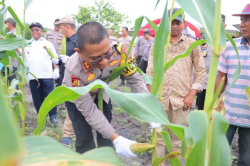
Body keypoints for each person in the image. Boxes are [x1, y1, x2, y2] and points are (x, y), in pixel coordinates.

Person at [62, 21, 149, 157]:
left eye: (107, 54)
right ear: (79, 53)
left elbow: (134, 78)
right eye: (95, 59)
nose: (104, 62)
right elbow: (89, 110)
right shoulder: (73, 70)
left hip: (102, 94)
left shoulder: (121, 51)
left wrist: (149, 108)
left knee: (106, 138)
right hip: (78, 100)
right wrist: (117, 138)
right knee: (84, 140)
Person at [146, 8, 205, 165]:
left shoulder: (192, 45)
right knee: (158, 139)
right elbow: (150, 71)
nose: (174, 26)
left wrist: (192, 94)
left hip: (181, 100)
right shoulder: (158, 44)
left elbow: (200, 71)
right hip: (159, 100)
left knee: (178, 141)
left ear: (183, 24)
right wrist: (150, 96)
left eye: (177, 22)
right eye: (171, 22)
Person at [215, 4, 250, 165]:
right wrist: (215, 106)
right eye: (241, 19)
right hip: (227, 114)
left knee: (245, 159)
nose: (242, 24)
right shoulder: (230, 46)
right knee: (217, 156)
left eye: (247, 19)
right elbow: (220, 77)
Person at [19, 22, 58, 124]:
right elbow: (21, 58)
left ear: (42, 31)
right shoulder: (26, 44)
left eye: (37, 30)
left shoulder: (48, 43)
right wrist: (16, 46)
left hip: (47, 75)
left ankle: (53, 116)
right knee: (37, 98)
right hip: (33, 76)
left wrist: (56, 69)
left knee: (50, 97)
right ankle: (41, 117)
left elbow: (54, 58)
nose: (34, 32)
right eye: (32, 30)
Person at [54, 15, 76, 146]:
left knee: (74, 105)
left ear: (67, 26)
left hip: (75, 79)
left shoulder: (78, 41)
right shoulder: (66, 40)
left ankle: (68, 133)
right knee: (69, 104)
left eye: (61, 27)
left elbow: (84, 59)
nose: (60, 30)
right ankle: (70, 131)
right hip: (65, 77)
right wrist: (58, 64)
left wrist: (70, 60)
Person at [196, 14, 227, 110]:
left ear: (224, 26)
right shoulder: (204, 44)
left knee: (214, 115)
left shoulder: (227, 45)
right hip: (203, 86)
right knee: (201, 113)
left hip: (218, 89)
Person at [44, 19, 64, 86]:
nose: (57, 26)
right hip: (48, 57)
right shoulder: (48, 33)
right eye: (56, 25)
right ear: (53, 24)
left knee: (58, 76)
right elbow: (44, 43)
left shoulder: (63, 34)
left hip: (58, 57)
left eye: (59, 25)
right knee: (48, 75)